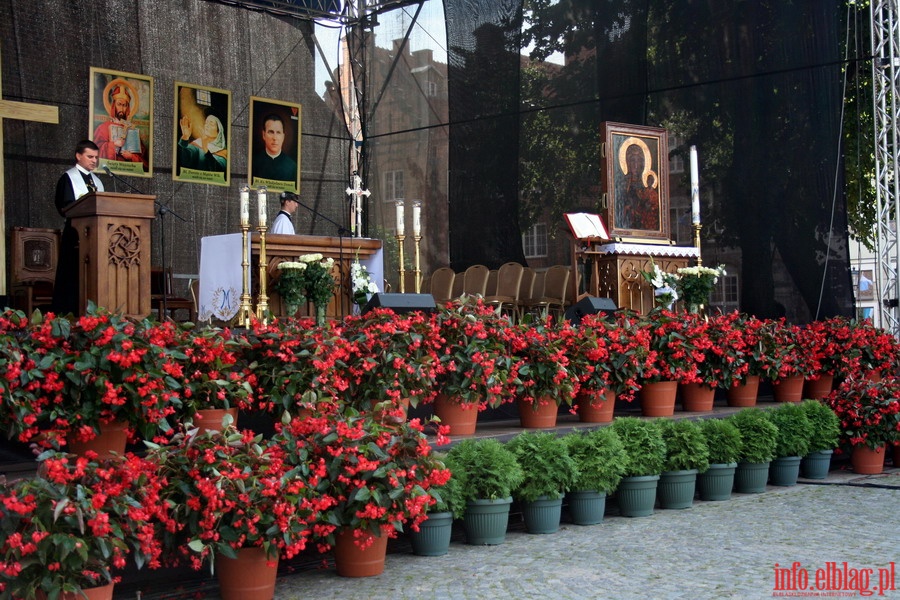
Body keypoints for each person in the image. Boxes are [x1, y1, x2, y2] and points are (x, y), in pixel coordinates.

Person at [52, 140, 105, 315]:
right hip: (76, 235)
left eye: (96, 157)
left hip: (95, 236)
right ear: (78, 156)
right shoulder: (68, 178)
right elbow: (64, 206)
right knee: (72, 277)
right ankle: (69, 313)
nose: (94, 161)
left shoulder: (96, 180)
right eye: (90, 156)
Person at [93, 79, 147, 169]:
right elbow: (96, 152)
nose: (122, 108)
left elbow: (144, 160)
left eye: (125, 105)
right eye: (119, 104)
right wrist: (113, 145)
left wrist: (132, 157)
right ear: (114, 106)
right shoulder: (103, 128)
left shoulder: (131, 129)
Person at [616, 137, 660, 231]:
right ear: (627, 162)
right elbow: (619, 204)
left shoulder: (645, 184)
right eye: (633, 161)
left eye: (639, 161)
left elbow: (651, 206)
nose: (636, 165)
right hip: (627, 223)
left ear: (642, 163)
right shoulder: (622, 183)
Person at [252, 113, 297, 184]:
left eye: (278, 132)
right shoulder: (253, 163)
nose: (275, 138)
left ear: (283, 136)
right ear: (263, 135)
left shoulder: (292, 167)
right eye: (271, 132)